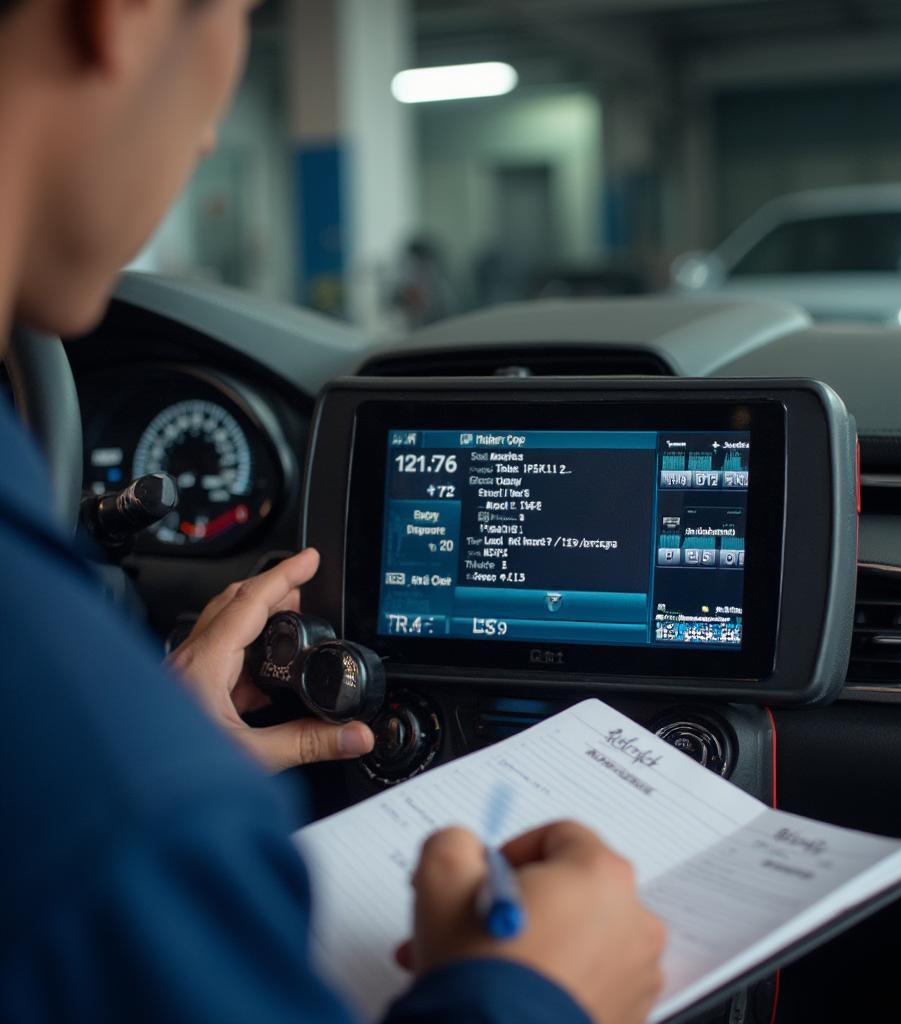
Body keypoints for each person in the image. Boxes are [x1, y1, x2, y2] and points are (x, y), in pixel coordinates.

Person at [0, 3, 667, 1023]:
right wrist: (533, 995)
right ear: (123, 16)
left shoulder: (123, 783)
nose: (212, 130)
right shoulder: (133, 823)